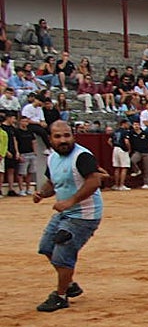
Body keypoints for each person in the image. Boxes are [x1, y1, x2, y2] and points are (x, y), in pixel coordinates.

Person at [31, 121, 104, 312]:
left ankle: (61, 296)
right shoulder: (53, 158)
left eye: (67, 135)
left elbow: (94, 181)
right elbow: (52, 183)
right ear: (50, 139)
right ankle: (69, 284)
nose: (63, 140)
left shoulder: (82, 156)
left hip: (84, 215)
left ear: (73, 136)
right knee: (46, 247)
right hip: (66, 213)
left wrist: (70, 201)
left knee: (63, 255)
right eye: (58, 136)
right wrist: (42, 193)